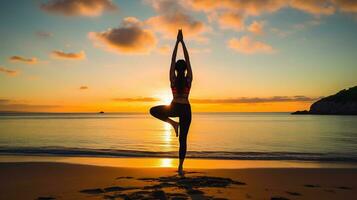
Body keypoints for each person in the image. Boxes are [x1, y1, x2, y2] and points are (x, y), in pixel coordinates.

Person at [150, 29, 192, 175]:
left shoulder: (173, 79)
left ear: (175, 69)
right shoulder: (189, 79)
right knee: (183, 139)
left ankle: (173, 123)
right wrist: (182, 42)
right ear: (186, 69)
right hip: (185, 109)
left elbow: (172, 60)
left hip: (174, 107)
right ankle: (180, 166)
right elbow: (187, 59)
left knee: (153, 111)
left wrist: (177, 42)